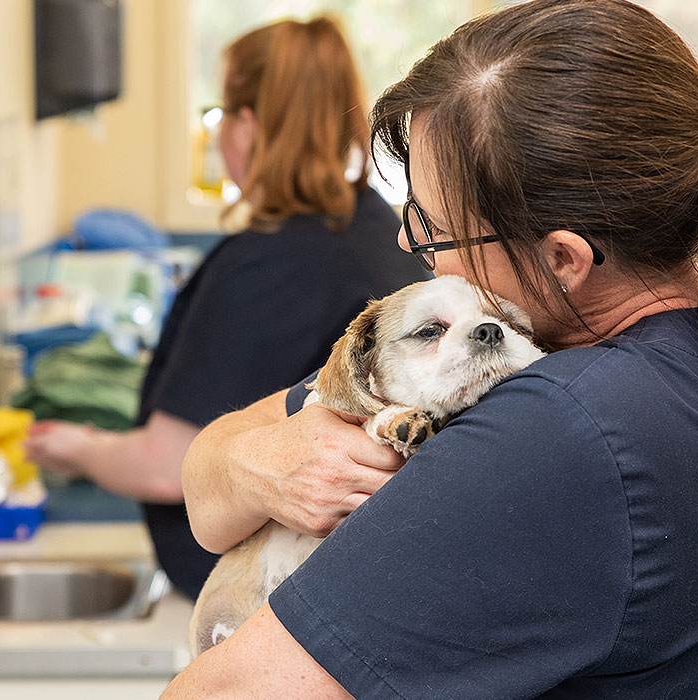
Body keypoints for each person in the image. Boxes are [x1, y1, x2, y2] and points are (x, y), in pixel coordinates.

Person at [162, 0, 698, 698]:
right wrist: (266, 462)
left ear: (564, 260)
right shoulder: (691, 348)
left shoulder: (561, 423)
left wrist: (258, 462)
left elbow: (219, 690)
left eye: (432, 229)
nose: (405, 243)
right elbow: (205, 491)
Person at [23, 16, 427, 601]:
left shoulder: (267, 265)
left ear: (247, 126)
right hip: (354, 576)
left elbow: (168, 465)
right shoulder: (372, 229)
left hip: (269, 592)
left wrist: (76, 448)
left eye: (218, 115)